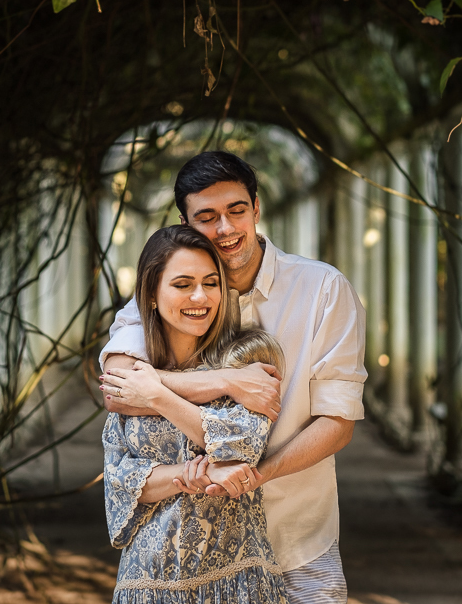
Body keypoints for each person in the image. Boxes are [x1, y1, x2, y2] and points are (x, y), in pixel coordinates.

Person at [100, 151, 367, 604]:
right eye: (206, 217)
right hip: (202, 560)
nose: (224, 229)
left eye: (236, 211)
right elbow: (121, 387)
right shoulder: (172, 290)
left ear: (256, 209)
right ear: (185, 222)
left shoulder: (323, 290)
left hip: (298, 536)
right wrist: (228, 381)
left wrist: (252, 475)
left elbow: (337, 421)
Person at [102, 224, 289, 604]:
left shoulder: (247, 359)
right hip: (148, 581)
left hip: (235, 581)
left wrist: (157, 395)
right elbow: (121, 481)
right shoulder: (131, 369)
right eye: (182, 284)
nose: (200, 296)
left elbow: (243, 449)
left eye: (210, 282)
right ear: (152, 295)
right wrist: (194, 476)